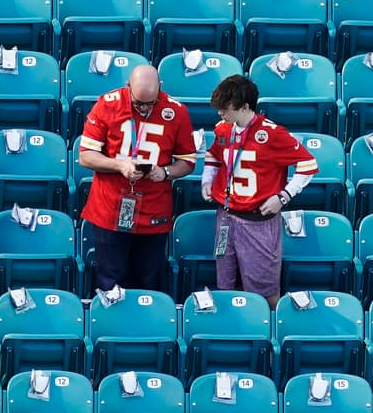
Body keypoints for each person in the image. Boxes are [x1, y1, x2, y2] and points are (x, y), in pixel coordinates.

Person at [201, 74, 318, 307]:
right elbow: (215, 155)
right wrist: (207, 180)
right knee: (225, 283)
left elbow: (309, 165)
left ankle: (266, 334)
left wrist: (283, 197)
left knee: (263, 290)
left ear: (245, 107)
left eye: (226, 108)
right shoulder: (223, 129)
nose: (220, 113)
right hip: (225, 216)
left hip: (258, 221)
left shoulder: (273, 133)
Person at [78, 64, 197, 294]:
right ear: (128, 87)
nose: (143, 109)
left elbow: (187, 160)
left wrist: (165, 172)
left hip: (153, 207)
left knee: (148, 280)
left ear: (160, 88)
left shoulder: (177, 111)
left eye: (150, 103)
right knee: (111, 281)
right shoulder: (107, 104)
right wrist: (119, 164)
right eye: (138, 103)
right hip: (111, 205)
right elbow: (85, 156)